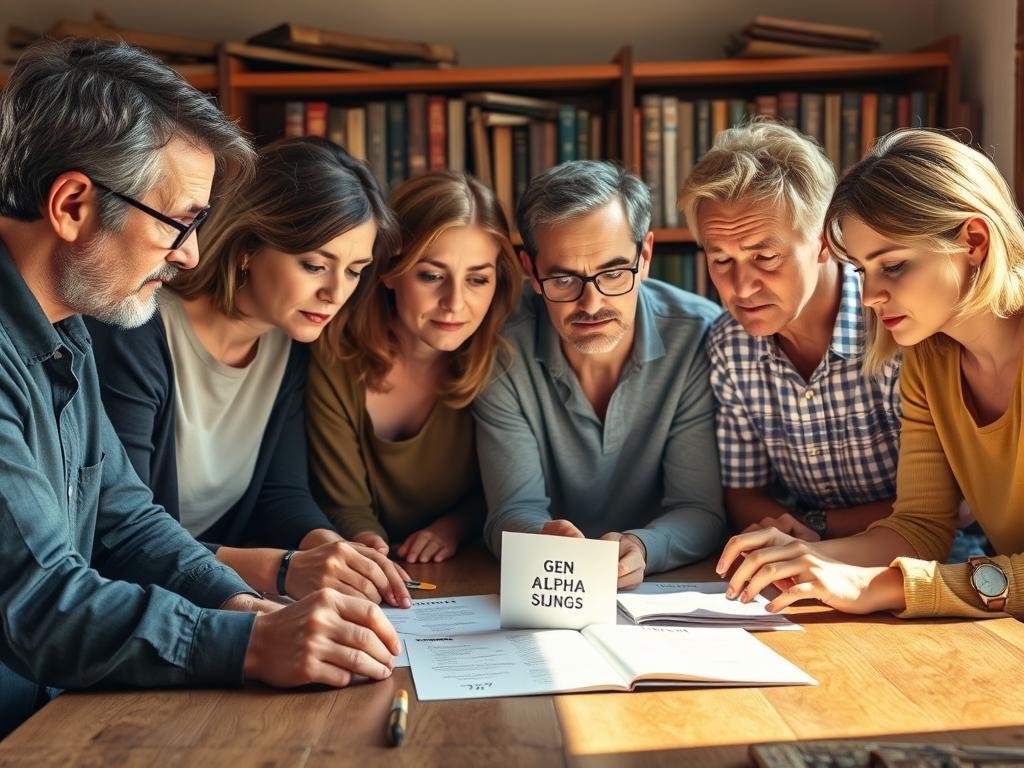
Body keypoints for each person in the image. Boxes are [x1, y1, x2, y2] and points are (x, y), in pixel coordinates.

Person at [0, 39, 398, 737]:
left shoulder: (71, 324)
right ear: (71, 206)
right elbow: (37, 602)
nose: (189, 253)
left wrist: (246, 608)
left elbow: (127, 520)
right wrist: (249, 643)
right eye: (179, 220)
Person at [86, 137, 411, 607]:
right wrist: (283, 569)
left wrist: (330, 546)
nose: (335, 293)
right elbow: (123, 535)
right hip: (136, 601)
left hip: (212, 591)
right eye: (315, 265)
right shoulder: (139, 330)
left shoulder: (290, 341)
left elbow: (280, 493)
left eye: (355, 270)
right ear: (247, 249)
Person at [718, 129, 1024, 619]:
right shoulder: (929, 359)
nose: (869, 297)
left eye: (895, 266)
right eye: (862, 271)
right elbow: (920, 527)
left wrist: (888, 588)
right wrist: (809, 559)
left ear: (974, 240)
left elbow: (911, 571)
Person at [474, 160, 725, 589]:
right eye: (564, 279)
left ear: (644, 257)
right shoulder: (499, 347)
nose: (591, 304)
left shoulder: (698, 336)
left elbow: (700, 509)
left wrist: (644, 545)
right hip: (547, 584)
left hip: (660, 585)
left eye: (613, 273)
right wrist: (540, 539)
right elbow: (511, 509)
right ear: (531, 271)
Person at [679, 121, 901, 541]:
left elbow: (943, 508)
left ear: (825, 241)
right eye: (721, 261)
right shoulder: (729, 345)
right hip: (800, 562)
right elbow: (742, 492)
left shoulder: (895, 326)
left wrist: (812, 529)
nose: (741, 287)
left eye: (765, 256)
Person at [307, 171, 521, 563]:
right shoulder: (333, 353)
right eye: (432, 276)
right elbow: (344, 506)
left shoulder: (502, 364)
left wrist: (454, 527)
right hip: (362, 563)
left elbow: (504, 494)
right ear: (390, 268)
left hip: (467, 567)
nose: (454, 302)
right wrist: (370, 547)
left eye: (477, 279)